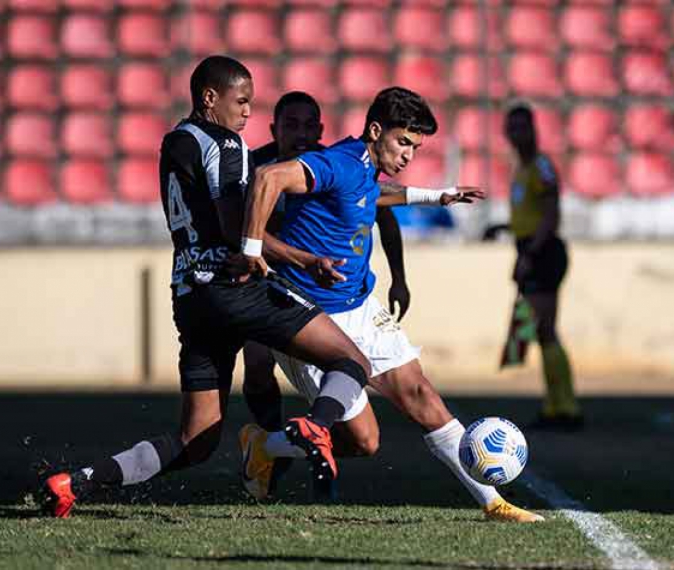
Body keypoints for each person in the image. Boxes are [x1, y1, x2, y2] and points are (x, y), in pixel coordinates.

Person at [39, 55, 373, 518]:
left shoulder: (175, 141)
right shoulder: (227, 144)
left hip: (190, 296)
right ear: (209, 97)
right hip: (232, 284)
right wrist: (303, 259)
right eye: (242, 101)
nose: (248, 112)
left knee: (196, 440)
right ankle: (316, 427)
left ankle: (77, 482)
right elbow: (236, 226)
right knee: (352, 359)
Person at [239, 86, 543, 522]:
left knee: (421, 392)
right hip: (310, 317)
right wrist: (252, 248)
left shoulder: (363, 166)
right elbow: (269, 178)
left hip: (360, 305)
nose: (408, 155)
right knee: (364, 442)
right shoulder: (338, 162)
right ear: (376, 130)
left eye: (415, 148)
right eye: (403, 143)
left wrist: (435, 195)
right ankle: (263, 445)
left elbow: (375, 195)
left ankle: (492, 502)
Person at [239, 90, 411, 498]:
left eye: (307, 126)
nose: (300, 133)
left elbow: (382, 214)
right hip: (265, 283)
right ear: (273, 130)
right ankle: (266, 446)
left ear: (319, 129)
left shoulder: (333, 164)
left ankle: (281, 453)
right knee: (259, 365)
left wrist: (399, 277)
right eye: (290, 125)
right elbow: (242, 231)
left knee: (350, 400)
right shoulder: (255, 167)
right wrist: (298, 258)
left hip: (322, 292)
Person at [503, 103, 581, 431]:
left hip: (543, 252)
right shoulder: (523, 169)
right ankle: (557, 405)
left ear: (534, 129)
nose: (518, 134)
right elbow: (532, 215)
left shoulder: (541, 166)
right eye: (513, 128)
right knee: (542, 330)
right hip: (533, 249)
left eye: (523, 127)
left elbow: (551, 214)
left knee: (546, 329)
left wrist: (530, 254)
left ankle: (564, 408)